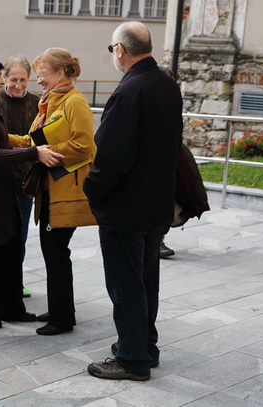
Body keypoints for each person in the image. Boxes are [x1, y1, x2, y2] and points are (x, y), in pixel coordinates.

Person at [83, 21, 183, 381]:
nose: (113, 55)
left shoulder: (130, 90)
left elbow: (110, 156)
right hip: (156, 204)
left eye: (112, 49)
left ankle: (132, 359)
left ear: (121, 50)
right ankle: (144, 345)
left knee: (126, 286)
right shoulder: (165, 83)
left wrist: (91, 190)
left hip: (127, 209)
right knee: (144, 282)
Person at [0, 56, 64, 330]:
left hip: (4, 190)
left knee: (10, 248)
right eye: (0, 77)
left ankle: (11, 306)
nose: (3, 82)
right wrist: (34, 152)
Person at [8, 48, 96, 336]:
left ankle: (62, 318)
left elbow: (85, 146)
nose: (39, 81)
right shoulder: (50, 101)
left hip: (63, 192)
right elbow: (32, 141)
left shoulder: (74, 102)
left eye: (43, 74)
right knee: (52, 251)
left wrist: (46, 151)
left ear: (61, 73)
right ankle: (60, 309)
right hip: (49, 191)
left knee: (56, 251)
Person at [0, 55, 40, 298]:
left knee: (19, 234)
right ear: (4, 78)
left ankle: (15, 281)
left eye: (23, 79)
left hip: (25, 178)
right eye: (13, 79)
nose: (18, 84)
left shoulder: (38, 102)